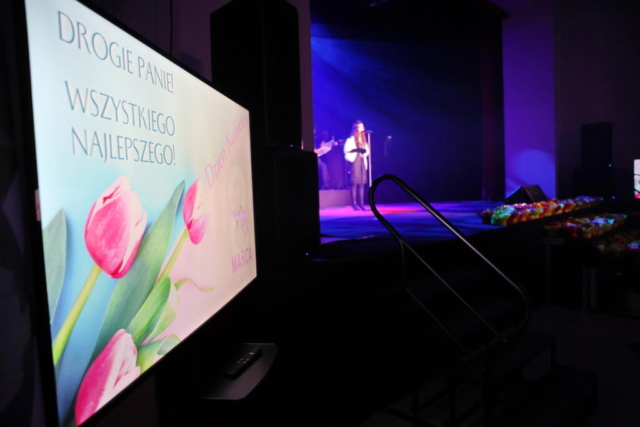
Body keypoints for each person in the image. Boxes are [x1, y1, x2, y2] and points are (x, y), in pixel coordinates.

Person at [344, 120, 369, 211]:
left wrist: (364, 152)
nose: (363, 128)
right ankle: (354, 204)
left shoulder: (363, 139)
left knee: (362, 183)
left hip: (362, 160)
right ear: (357, 128)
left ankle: (361, 203)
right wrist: (356, 151)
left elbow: (367, 150)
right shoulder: (350, 140)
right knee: (354, 183)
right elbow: (346, 150)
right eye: (361, 126)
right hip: (355, 161)